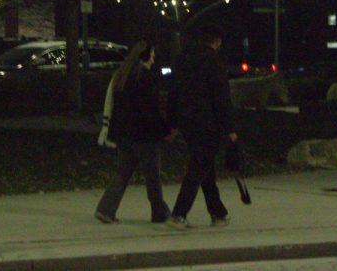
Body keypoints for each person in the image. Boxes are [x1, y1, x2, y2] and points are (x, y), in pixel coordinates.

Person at [166, 23, 236, 230]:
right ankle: (179, 213)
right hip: (208, 123)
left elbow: (174, 94)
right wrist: (229, 127)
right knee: (198, 168)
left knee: (204, 167)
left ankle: (218, 212)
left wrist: (173, 123)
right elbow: (221, 97)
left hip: (188, 122)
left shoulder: (181, 61)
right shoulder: (213, 61)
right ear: (216, 42)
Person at [94, 40, 173, 224]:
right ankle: (159, 211)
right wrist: (165, 130)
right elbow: (151, 110)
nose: (154, 58)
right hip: (145, 135)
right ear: (145, 56)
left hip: (125, 134)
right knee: (152, 176)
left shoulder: (122, 76)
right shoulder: (145, 78)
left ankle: (106, 209)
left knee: (122, 172)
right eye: (152, 54)